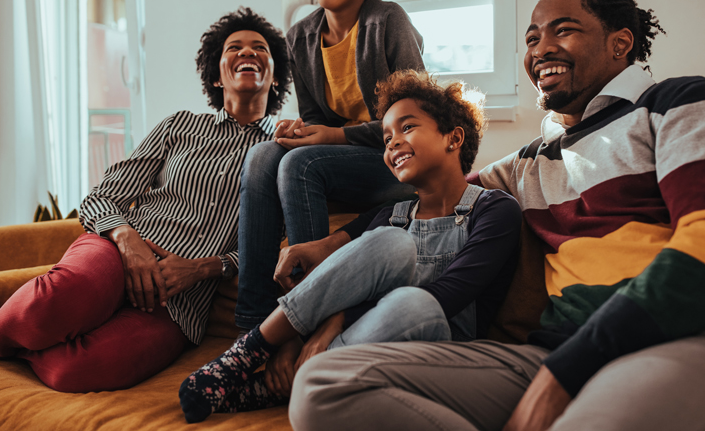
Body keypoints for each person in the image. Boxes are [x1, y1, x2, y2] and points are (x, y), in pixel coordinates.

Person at [288, 0, 705, 431]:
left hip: (691, 337)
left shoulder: (682, 102)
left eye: (564, 30)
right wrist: (331, 245)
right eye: (532, 38)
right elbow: (435, 197)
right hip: (550, 356)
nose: (540, 49)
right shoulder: (530, 161)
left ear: (621, 44)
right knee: (322, 386)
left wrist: (569, 370)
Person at [0, 8, 293, 393]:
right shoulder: (180, 125)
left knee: (79, 371)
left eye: (259, 48)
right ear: (217, 76)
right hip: (117, 252)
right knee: (51, 304)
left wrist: (201, 269)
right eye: (234, 47)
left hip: (179, 301)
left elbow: (269, 246)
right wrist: (127, 241)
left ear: (276, 73)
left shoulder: (283, 150)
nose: (247, 53)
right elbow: (101, 197)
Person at [177, 70, 522, 423]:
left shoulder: (495, 210)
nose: (392, 143)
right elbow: (338, 263)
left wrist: (337, 323)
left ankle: (283, 382)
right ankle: (248, 353)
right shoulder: (391, 216)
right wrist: (311, 259)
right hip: (368, 346)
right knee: (391, 241)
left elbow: (449, 294)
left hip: (441, 354)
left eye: (407, 127)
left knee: (414, 302)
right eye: (387, 137)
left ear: (454, 138)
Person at [235, 0, 425, 332]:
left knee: (301, 164)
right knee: (264, 155)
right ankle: (251, 322)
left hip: (397, 162)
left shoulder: (388, 21)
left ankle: (308, 314)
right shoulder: (300, 36)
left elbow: (415, 123)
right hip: (347, 163)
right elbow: (315, 118)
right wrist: (299, 130)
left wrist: (335, 135)